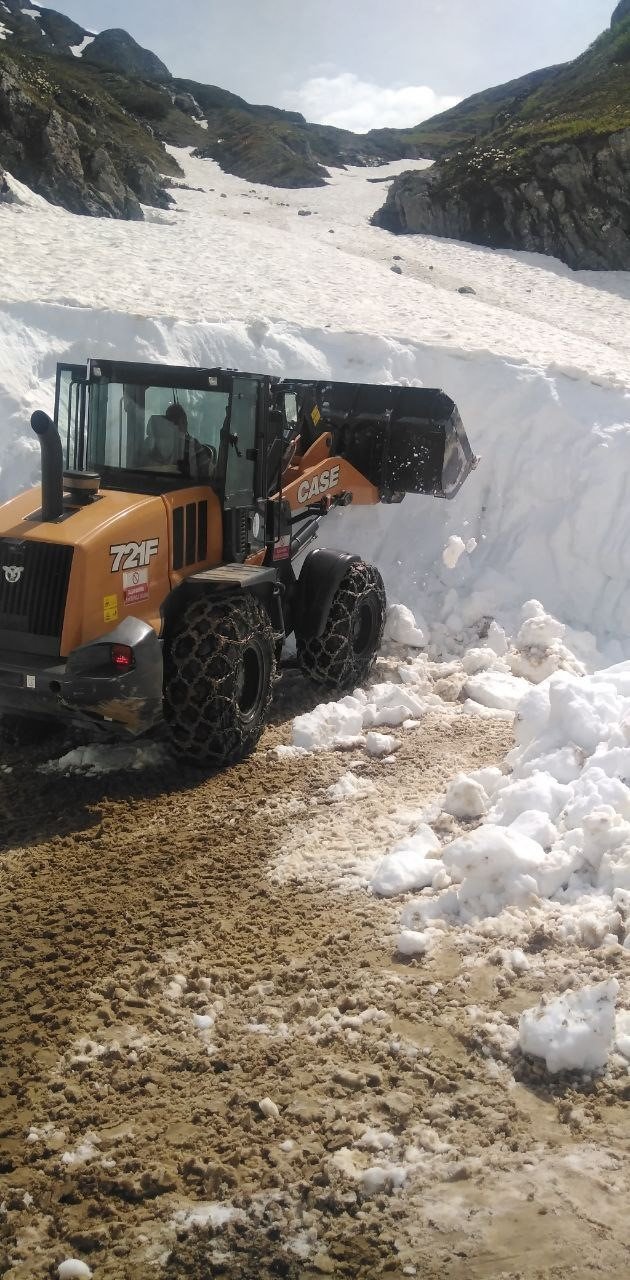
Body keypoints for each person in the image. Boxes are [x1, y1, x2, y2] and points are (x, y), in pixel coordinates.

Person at [149, 403, 216, 478]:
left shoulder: (149, 444)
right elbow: (211, 474)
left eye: (178, 421)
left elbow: (209, 471)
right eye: (175, 422)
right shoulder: (192, 445)